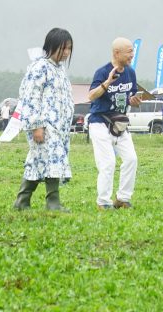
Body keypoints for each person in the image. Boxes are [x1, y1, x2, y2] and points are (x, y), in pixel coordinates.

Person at [14, 28, 75, 212]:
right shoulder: (40, 67)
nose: (66, 53)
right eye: (63, 48)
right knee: (51, 160)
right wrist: (36, 126)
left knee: (38, 160)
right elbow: (30, 97)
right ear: (51, 46)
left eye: (69, 49)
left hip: (58, 127)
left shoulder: (60, 70)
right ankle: (53, 201)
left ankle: (22, 200)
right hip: (44, 126)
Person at [87, 37, 141, 209]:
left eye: (133, 50)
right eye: (129, 51)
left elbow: (130, 96)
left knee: (131, 159)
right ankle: (103, 201)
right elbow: (91, 96)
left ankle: (122, 198)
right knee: (108, 162)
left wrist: (134, 100)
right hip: (100, 122)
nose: (132, 54)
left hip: (120, 123)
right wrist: (108, 81)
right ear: (117, 53)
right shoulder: (102, 72)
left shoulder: (130, 72)